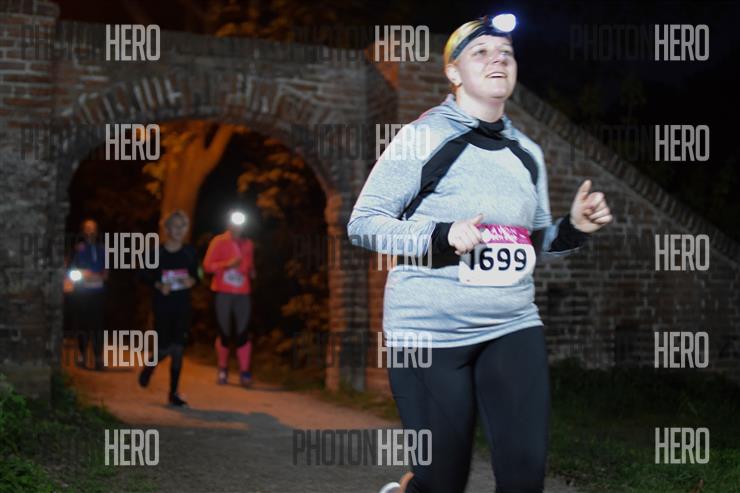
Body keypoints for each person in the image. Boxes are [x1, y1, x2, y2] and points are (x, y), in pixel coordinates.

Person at [348, 14, 612, 493]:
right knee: (442, 482)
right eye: (481, 52)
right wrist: (442, 234)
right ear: (453, 72)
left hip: (512, 325)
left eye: (506, 53)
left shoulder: (527, 152)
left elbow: (531, 243)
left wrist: (575, 228)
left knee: (524, 477)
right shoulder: (423, 137)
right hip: (429, 332)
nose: (498, 60)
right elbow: (363, 224)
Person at [138, 210, 199, 407]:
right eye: (175, 226)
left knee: (178, 348)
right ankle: (150, 366)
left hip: (183, 305)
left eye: (183, 226)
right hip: (163, 305)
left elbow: (198, 274)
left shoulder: (190, 252)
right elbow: (142, 274)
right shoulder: (156, 253)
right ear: (167, 229)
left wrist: (192, 280)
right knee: (165, 347)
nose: (179, 230)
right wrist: (157, 284)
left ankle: (173, 393)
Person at [203, 210, 256, 387]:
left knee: (243, 333)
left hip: (243, 293)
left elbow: (250, 266)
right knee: (224, 333)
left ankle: (245, 372)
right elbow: (207, 266)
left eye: (241, 223)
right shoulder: (219, 241)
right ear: (229, 224)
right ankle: (223, 368)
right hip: (223, 292)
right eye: (234, 222)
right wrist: (227, 265)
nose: (237, 227)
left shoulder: (248, 244)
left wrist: (251, 271)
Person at [69, 218, 108, 371]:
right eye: (87, 228)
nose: (90, 231)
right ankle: (82, 355)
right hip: (83, 292)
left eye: (93, 228)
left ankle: (98, 357)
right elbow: (72, 270)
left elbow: (106, 272)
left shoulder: (102, 249)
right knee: (82, 324)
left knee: (98, 325)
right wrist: (85, 274)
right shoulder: (78, 249)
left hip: (98, 292)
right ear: (83, 231)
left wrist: (100, 275)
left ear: (97, 231)